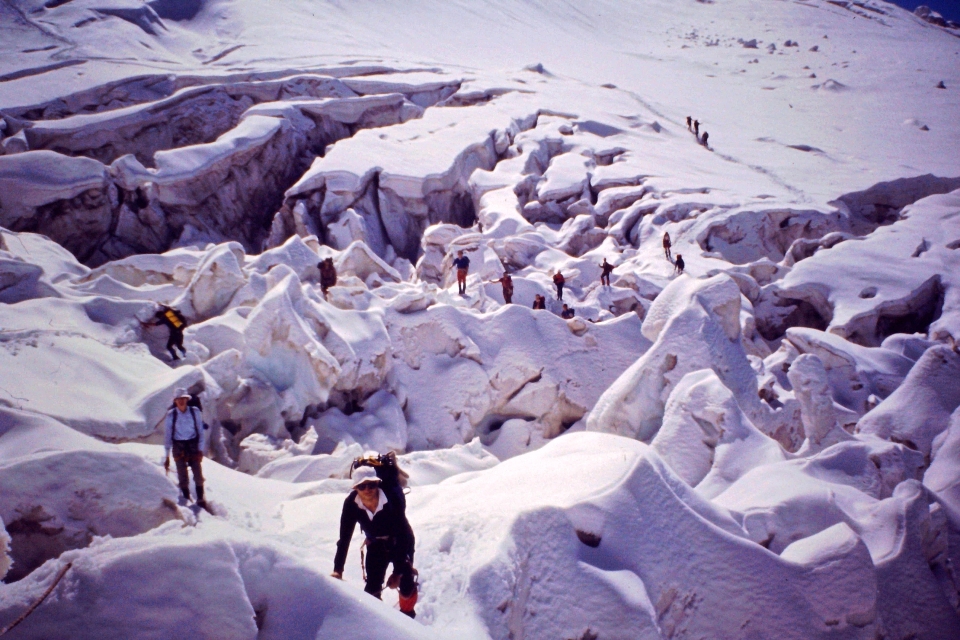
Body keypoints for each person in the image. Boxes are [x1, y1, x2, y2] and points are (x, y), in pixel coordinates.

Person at [332, 467, 419, 618]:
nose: (367, 489)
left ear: (377, 483)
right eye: (362, 486)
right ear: (355, 488)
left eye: (371, 484)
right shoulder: (351, 504)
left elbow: (402, 533)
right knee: (372, 589)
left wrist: (397, 572)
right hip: (376, 544)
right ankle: (375, 625)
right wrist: (338, 569)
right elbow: (344, 538)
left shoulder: (391, 498)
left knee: (406, 585)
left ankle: (408, 621)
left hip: (400, 540)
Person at [163, 388, 209, 507]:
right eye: (179, 399)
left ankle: (200, 500)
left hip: (193, 445)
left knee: (198, 474)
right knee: (182, 476)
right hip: (178, 446)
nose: (181, 401)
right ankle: (186, 498)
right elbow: (168, 435)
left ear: (187, 399)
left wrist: (200, 450)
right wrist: (167, 455)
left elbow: (200, 432)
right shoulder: (171, 415)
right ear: (175, 401)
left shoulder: (195, 412)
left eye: (183, 399)